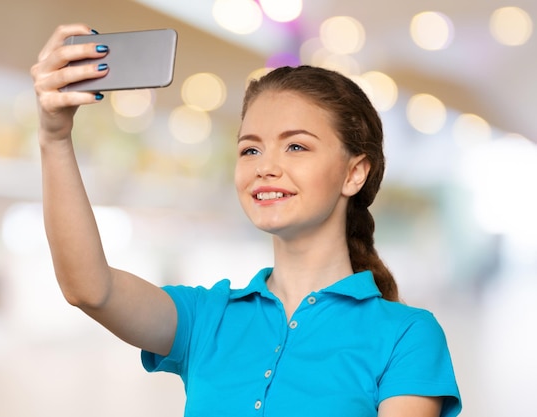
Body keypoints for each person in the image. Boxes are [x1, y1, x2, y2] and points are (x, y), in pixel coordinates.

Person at [31, 23, 461, 417]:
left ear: (354, 173)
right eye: (250, 149)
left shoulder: (407, 337)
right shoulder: (206, 318)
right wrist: (54, 137)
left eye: (296, 147)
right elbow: (89, 288)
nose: (265, 167)